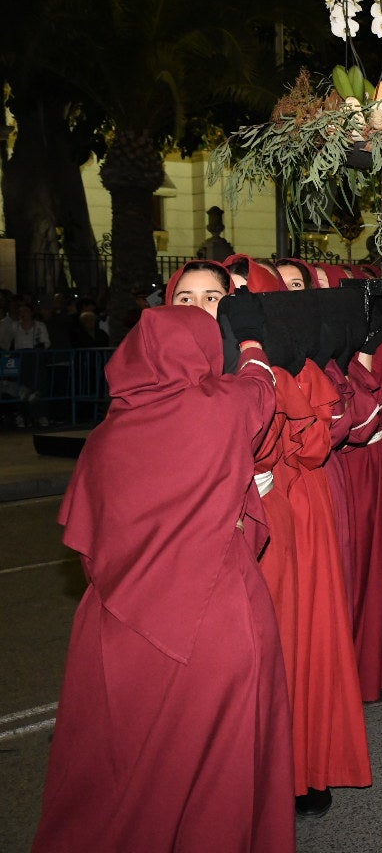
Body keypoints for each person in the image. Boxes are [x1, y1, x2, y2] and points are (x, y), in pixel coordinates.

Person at [33, 301, 293, 852]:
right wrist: (249, 343)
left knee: (119, 768)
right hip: (215, 619)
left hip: (118, 628)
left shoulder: (104, 440)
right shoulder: (218, 409)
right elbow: (262, 388)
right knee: (218, 777)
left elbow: (91, 548)